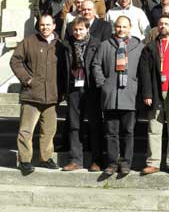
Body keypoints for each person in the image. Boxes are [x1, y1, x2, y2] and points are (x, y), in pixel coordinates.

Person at [10, 14, 66, 175]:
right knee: (26, 130)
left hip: (51, 96)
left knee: (48, 130)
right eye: (42, 25)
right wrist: (27, 79)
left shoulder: (60, 45)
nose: (45, 28)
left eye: (48, 25)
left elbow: (64, 70)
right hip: (31, 95)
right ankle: (25, 161)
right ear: (38, 26)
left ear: (54, 26)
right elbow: (15, 61)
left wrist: (61, 90)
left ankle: (46, 158)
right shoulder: (28, 42)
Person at [92, 16, 144, 175]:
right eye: (119, 27)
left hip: (130, 95)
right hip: (111, 95)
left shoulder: (139, 46)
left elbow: (144, 70)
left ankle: (126, 163)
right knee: (111, 132)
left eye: (124, 27)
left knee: (128, 132)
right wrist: (103, 83)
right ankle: (112, 163)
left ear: (130, 28)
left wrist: (138, 86)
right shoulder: (105, 45)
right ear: (115, 27)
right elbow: (96, 65)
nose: (121, 30)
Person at [140, 14, 169, 175]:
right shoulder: (150, 47)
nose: (163, 26)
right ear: (157, 27)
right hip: (155, 92)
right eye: (161, 24)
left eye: (166, 24)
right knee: (154, 129)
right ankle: (153, 162)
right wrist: (147, 93)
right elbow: (144, 72)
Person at [61, 17, 103, 172]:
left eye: (81, 29)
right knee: (74, 125)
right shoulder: (66, 45)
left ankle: (96, 160)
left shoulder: (97, 44)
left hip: (92, 88)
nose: (78, 32)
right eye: (75, 30)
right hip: (74, 88)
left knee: (95, 124)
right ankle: (75, 160)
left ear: (87, 29)